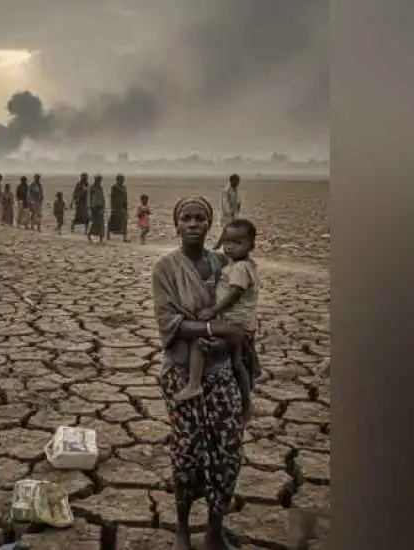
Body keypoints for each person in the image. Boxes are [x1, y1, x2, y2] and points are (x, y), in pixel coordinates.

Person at [151, 196, 255, 550]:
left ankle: (214, 529)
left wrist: (229, 340)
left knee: (227, 451)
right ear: (176, 224)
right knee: (187, 452)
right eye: (186, 218)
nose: (193, 224)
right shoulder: (165, 269)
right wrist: (217, 331)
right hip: (183, 375)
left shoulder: (225, 263)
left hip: (221, 373)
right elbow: (170, 324)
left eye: (199, 218)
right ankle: (182, 528)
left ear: (209, 225)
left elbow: (241, 315)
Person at [174, 219, 262, 420]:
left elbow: (234, 294)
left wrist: (213, 311)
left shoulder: (240, 268)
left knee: (200, 340)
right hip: (243, 323)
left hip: (233, 323)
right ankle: (247, 401)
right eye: (226, 241)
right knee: (237, 362)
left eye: (237, 242)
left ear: (251, 245)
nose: (229, 246)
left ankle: (194, 385)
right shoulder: (244, 265)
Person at [219, 174, 241, 239]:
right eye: (237, 181)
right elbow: (225, 203)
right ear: (232, 181)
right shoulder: (226, 190)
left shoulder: (235, 188)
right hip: (228, 215)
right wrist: (229, 212)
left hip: (234, 213)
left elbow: (237, 199)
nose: (238, 183)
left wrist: (238, 205)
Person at [108, 174, 129, 243]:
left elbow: (125, 198)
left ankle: (124, 238)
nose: (122, 181)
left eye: (123, 179)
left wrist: (126, 208)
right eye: (121, 179)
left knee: (124, 222)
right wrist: (112, 207)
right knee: (113, 221)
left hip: (122, 207)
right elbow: (112, 198)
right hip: (116, 207)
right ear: (118, 180)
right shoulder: (114, 187)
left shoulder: (124, 187)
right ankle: (108, 235)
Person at [88, 175, 106, 243]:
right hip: (94, 207)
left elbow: (102, 197)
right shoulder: (92, 188)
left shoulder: (100, 188)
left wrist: (103, 206)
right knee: (95, 223)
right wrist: (90, 207)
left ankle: (101, 237)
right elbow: (89, 198)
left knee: (101, 223)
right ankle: (90, 235)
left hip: (100, 206)